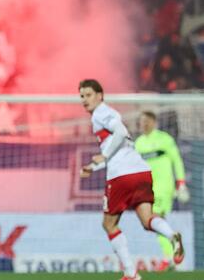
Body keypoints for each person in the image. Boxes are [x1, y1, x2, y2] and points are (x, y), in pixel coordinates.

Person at [78, 79, 184, 280]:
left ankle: (131, 274)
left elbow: (121, 132)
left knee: (109, 224)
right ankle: (172, 236)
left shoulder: (101, 113)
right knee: (147, 220)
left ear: (100, 96)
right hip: (141, 172)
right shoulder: (107, 114)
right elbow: (120, 144)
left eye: (89, 95)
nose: (84, 100)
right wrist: (92, 167)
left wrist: (104, 157)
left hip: (121, 176)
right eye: (82, 96)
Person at [134, 110, 189, 270]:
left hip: (164, 188)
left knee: (155, 218)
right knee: (152, 223)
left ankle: (170, 254)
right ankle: (172, 253)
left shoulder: (165, 139)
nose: (143, 124)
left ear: (153, 122)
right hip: (147, 189)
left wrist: (181, 183)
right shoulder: (139, 143)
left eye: (146, 121)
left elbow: (177, 160)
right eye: (141, 121)